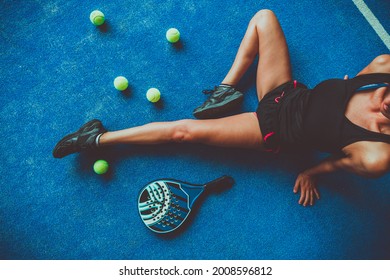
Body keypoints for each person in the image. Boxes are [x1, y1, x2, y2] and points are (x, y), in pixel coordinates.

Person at [53, 9, 390, 207]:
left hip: (272, 130)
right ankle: (226, 90)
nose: (386, 99)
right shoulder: (382, 67)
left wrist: (311, 173)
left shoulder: (377, 155)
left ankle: (96, 139)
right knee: (264, 17)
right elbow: (349, 84)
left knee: (182, 132)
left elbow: (343, 162)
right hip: (284, 92)